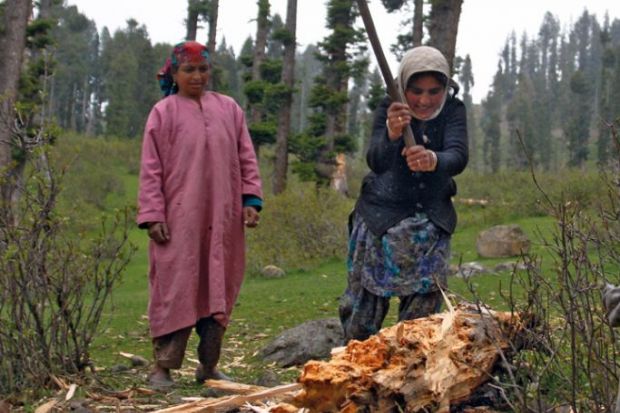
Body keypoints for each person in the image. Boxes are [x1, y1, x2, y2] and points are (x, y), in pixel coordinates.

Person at [137, 41, 263, 388]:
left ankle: (208, 366)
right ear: (174, 74)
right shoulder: (163, 113)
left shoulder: (229, 109)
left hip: (223, 220)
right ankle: (162, 367)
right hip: (178, 221)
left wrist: (250, 199)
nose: (197, 76)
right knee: (176, 287)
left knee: (218, 287)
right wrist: (152, 214)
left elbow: (246, 157)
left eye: (203, 69)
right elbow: (151, 170)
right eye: (189, 69)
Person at [339, 45, 468, 343]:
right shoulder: (390, 109)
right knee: (363, 313)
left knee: (421, 324)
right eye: (417, 91)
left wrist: (433, 160)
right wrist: (392, 135)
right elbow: (376, 159)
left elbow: (458, 155)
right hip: (380, 221)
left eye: (434, 91)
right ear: (403, 86)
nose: (425, 100)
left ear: (446, 87)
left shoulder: (453, 110)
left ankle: (410, 373)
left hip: (430, 221)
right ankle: (356, 368)